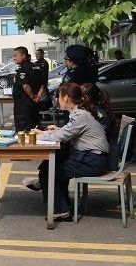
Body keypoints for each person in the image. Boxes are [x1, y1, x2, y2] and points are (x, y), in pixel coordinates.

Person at [30, 83, 110, 221]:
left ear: (66, 98)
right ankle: (63, 205)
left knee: (49, 172)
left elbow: (61, 136)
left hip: (92, 161)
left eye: (59, 97)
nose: (58, 100)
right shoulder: (80, 113)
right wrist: (57, 130)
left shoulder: (80, 115)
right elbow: (68, 131)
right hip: (91, 158)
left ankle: (61, 209)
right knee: (51, 165)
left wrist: (40, 135)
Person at [11, 46, 42, 132]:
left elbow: (25, 86)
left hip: (23, 105)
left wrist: (33, 97)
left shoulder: (22, 69)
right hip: (35, 103)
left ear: (24, 56)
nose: (14, 58)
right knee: (34, 128)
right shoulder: (36, 67)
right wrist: (38, 95)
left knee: (24, 130)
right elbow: (42, 83)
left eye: (16, 55)